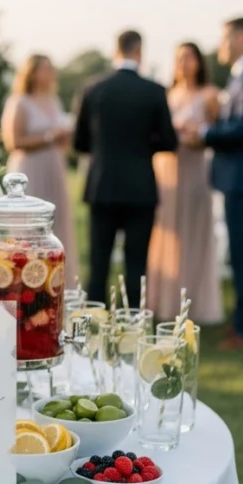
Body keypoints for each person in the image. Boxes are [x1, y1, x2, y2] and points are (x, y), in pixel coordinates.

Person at [182, 17, 243, 350]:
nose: (220, 46)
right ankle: (241, 321)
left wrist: (206, 133)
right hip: (239, 178)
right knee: (239, 254)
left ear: (241, 37)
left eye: (224, 38)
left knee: (242, 255)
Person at [73, 30, 178, 306]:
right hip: (140, 188)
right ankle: (133, 321)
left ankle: (93, 320)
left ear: (115, 51)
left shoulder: (93, 89)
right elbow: (169, 141)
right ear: (139, 51)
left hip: (102, 186)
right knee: (136, 264)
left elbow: (79, 142)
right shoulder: (154, 91)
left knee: (99, 263)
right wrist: (144, 145)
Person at [147, 43, 223, 323]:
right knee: (165, 232)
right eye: (179, 58)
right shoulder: (168, 94)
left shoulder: (210, 95)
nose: (183, 63)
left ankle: (194, 301)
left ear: (199, 62)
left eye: (189, 58)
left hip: (194, 169)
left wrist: (197, 135)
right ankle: (163, 300)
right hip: (165, 169)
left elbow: (218, 133)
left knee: (192, 231)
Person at [1, 54, 79, 270]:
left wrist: (64, 137)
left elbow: (59, 139)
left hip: (53, 166)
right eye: (45, 69)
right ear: (32, 73)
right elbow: (13, 141)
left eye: (51, 69)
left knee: (56, 223)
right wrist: (49, 137)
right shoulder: (19, 102)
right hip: (30, 169)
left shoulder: (54, 101)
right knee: (28, 225)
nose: (50, 73)